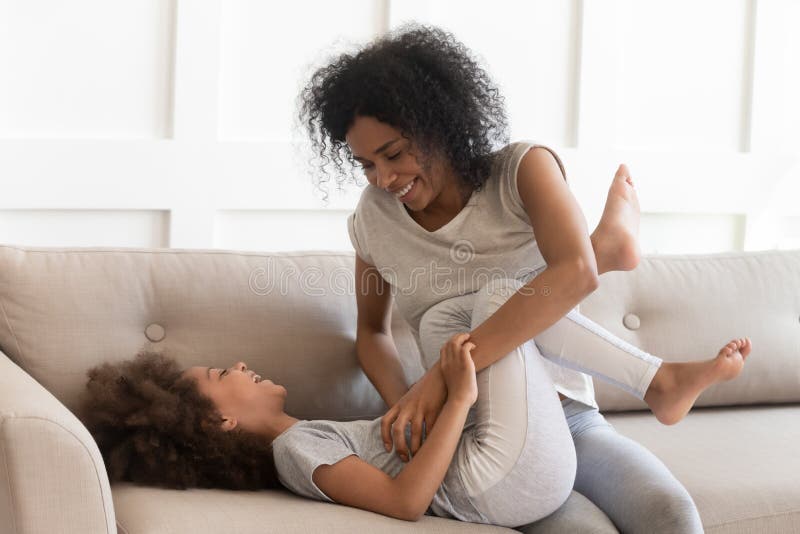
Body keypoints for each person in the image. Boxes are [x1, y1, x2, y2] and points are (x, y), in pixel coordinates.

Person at [298, 23, 752, 532]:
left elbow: (576, 275)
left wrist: (435, 380)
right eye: (365, 164)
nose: (383, 179)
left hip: (569, 415)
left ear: (439, 124)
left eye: (395, 154)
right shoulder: (373, 219)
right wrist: (413, 408)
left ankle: (610, 262)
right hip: (475, 434)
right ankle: (609, 251)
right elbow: (372, 334)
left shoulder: (522, 171)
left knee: (672, 515)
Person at [79, 337, 751, 526]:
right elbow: (404, 504)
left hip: (509, 466)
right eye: (227, 370)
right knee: (496, 310)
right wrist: (457, 397)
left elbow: (379, 364)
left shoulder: (309, 431)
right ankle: (605, 262)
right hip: (486, 474)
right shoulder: (295, 449)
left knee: (656, 517)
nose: (245, 364)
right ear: (221, 419)